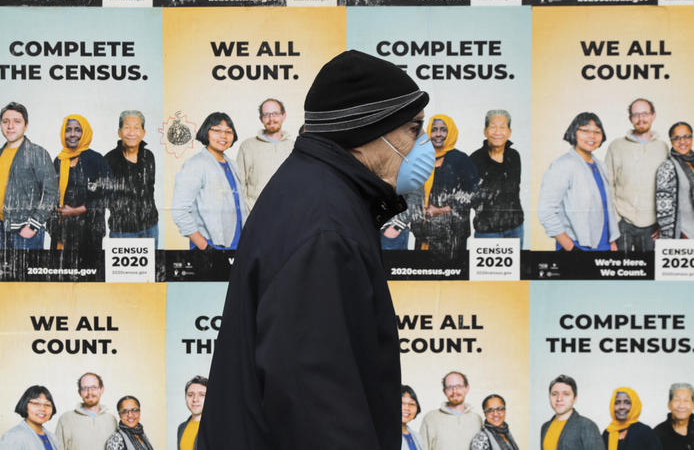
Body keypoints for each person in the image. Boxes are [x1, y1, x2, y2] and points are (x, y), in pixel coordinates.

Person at [197, 50, 433, 450]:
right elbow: (320, 412)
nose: (423, 144)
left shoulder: (315, 193)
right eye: (413, 129)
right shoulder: (326, 229)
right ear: (369, 130)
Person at [538, 112, 620, 251]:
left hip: (604, 246)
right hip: (577, 247)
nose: (592, 136)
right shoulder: (563, 165)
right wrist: (570, 247)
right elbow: (546, 211)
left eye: (597, 132)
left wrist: (612, 242)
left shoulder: (601, 165)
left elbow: (607, 208)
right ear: (574, 132)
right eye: (585, 131)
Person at [171, 112, 247, 250]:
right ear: (206, 132)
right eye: (217, 130)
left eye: (228, 132)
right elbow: (179, 211)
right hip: (210, 247)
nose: (223, 136)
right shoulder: (195, 164)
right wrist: (204, 246)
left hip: (237, 245)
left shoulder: (232, 164)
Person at [411, 114, 479, 259]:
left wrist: (442, 210)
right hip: (423, 232)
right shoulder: (422, 158)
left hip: (452, 236)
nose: (438, 134)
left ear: (450, 132)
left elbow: (473, 193)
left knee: (450, 277)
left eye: (443, 130)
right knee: (423, 275)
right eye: (434, 129)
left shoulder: (461, 159)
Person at [605, 98, 669, 252]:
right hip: (622, 223)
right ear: (630, 119)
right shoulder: (616, 146)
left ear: (653, 116)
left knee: (649, 272)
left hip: (652, 226)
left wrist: (663, 223)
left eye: (645, 113)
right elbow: (608, 184)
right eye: (636, 115)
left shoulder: (663, 147)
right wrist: (615, 221)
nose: (641, 119)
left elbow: (668, 188)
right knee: (620, 272)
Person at [0, 102, 58, 249]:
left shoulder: (37, 153)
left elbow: (52, 193)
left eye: (17, 121)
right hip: (2, 228)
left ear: (26, 125)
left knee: (27, 271)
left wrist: (33, 226)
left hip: (26, 231)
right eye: (5, 121)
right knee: (7, 271)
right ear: (1, 125)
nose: (10, 126)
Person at [50, 114, 112, 252]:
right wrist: (52, 226)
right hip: (62, 232)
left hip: (89, 232)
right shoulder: (59, 161)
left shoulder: (96, 160)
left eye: (78, 130)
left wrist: (76, 211)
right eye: (68, 130)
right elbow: (50, 194)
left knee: (88, 272)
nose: (72, 134)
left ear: (85, 133)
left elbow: (108, 195)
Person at [104, 110, 159, 247]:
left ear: (143, 132)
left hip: (150, 227)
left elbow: (150, 187)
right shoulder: (109, 160)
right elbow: (103, 195)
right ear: (119, 132)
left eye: (136, 128)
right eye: (127, 127)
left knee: (152, 266)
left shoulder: (148, 156)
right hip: (122, 230)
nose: (132, 132)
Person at [470, 110, 524, 247]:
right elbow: (470, 196)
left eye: (502, 127)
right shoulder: (475, 159)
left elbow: (514, 189)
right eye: (493, 127)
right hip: (487, 231)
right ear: (485, 131)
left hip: (515, 228)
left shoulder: (514, 156)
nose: (497, 132)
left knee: (516, 267)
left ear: (509, 132)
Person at [236, 98, 295, 211]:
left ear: (284, 116)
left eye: (275, 114)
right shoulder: (247, 146)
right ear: (260, 118)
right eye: (266, 114)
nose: (271, 118)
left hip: (289, 215)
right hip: (257, 217)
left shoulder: (294, 147)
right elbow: (239, 185)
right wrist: (249, 213)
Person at [420, 371, 482, 450]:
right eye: (449, 387)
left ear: (467, 388)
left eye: (459, 386)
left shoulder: (477, 419)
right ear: (444, 391)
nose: (454, 391)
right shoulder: (430, 418)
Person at [55, 372, 117, 450]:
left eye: (93, 387)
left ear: (101, 390)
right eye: (84, 388)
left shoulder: (112, 419)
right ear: (79, 392)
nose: (89, 392)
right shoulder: (65, 419)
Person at [540, 375, 604, 450]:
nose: (559, 399)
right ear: (549, 397)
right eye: (554, 394)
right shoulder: (545, 427)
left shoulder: (587, 426)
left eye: (566, 394)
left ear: (575, 399)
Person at [656, 122, 694, 239]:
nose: (682, 142)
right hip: (683, 233)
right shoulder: (667, 167)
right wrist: (669, 238)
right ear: (671, 141)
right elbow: (663, 210)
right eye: (676, 138)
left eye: (686, 136)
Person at [0, 385, 60, 449]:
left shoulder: (52, 437)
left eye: (47, 405)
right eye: (36, 403)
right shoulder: (14, 436)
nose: (42, 408)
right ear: (25, 405)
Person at [654, 383, 694, 450]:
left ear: (692, 405)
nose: (681, 405)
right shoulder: (657, 434)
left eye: (686, 400)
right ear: (669, 404)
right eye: (677, 400)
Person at [178, 376, 207, 450]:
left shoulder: (217, 428)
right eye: (190, 395)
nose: (195, 399)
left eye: (201, 395)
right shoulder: (181, 428)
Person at [402, 385, 423, 450]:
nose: (407, 408)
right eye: (401, 403)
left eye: (411, 404)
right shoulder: (384, 437)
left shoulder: (417, 437)